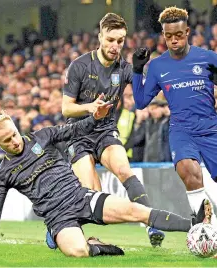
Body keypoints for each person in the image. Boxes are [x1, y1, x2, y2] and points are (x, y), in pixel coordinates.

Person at [0, 105, 198, 259]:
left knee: (135, 210)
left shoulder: (42, 136)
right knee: (78, 251)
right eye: (7, 140)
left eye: (14, 134)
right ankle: (98, 247)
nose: (15, 141)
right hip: (57, 216)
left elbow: (74, 129)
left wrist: (94, 119)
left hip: (80, 197)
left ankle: (195, 224)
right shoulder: (4, 174)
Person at [131, 6, 217, 259]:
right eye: (169, 36)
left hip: (212, 131)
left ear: (188, 31)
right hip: (182, 131)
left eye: (179, 34)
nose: (174, 40)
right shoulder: (158, 66)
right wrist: (138, 71)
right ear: (164, 35)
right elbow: (140, 101)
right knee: (189, 174)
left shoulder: (207, 56)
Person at [56, 12, 165, 248]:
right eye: (111, 40)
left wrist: (139, 70)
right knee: (91, 190)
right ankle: (60, 225)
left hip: (105, 131)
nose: (115, 46)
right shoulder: (80, 66)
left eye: (120, 41)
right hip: (79, 133)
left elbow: (143, 97)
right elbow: (66, 109)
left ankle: (150, 223)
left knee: (124, 169)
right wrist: (90, 107)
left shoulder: (123, 69)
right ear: (100, 37)